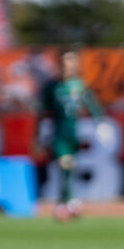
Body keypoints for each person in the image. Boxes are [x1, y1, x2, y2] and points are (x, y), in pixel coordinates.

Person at [38, 49, 108, 222]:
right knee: (65, 165)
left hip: (74, 134)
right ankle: (69, 202)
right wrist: (39, 136)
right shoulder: (52, 87)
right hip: (58, 135)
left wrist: (100, 123)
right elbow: (42, 113)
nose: (69, 67)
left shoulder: (79, 85)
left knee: (70, 168)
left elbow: (93, 105)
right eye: (65, 63)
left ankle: (64, 202)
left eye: (72, 63)